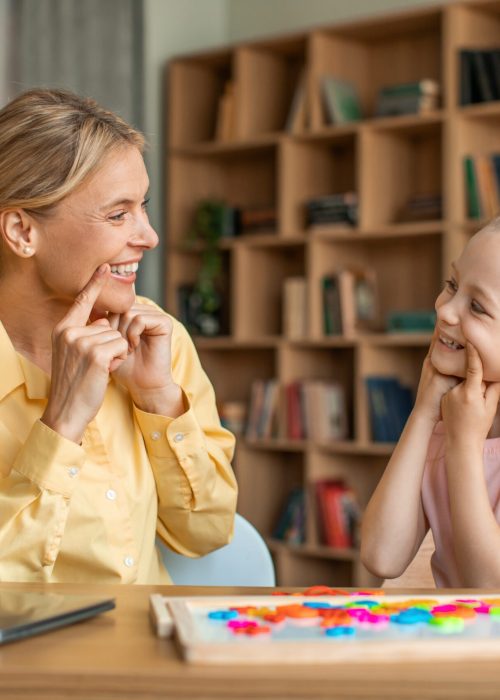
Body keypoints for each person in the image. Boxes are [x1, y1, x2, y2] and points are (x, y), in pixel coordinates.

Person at [0, 88, 237, 584]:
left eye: (142, 206)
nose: (149, 236)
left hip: (148, 650)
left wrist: (157, 399)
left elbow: (207, 532)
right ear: (22, 232)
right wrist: (61, 425)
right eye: (117, 214)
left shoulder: (155, 337)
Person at [361, 220, 500, 587]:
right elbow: (381, 555)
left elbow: (491, 591)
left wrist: (464, 447)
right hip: (457, 643)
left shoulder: (459, 436)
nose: (444, 311)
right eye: (452, 285)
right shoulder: (447, 424)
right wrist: (423, 413)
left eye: (478, 307)